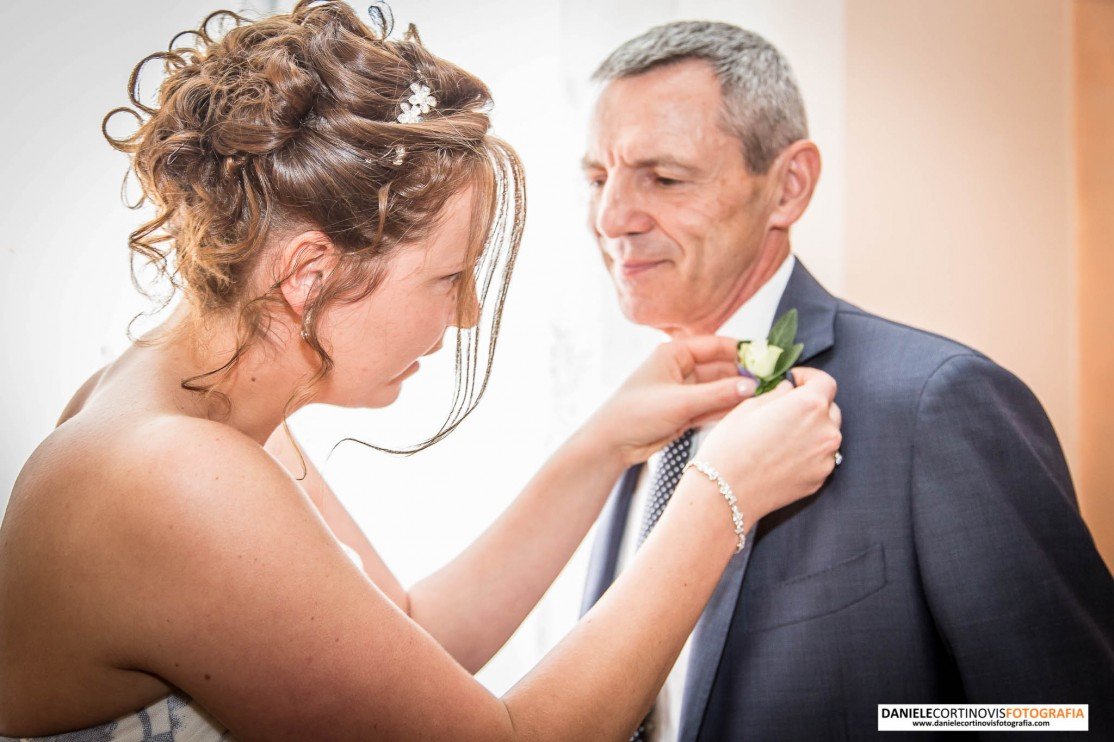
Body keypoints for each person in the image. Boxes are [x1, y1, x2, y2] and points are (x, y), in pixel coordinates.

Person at [0, 3, 844, 740]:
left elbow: (409, 635)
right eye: (450, 277)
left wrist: (603, 444)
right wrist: (719, 497)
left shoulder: (182, 393)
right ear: (308, 274)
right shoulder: (177, 476)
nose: (468, 313)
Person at [579, 20, 1114, 741]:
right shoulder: (632, 424)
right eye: (597, 178)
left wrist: (878, 721)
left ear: (788, 187)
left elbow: (1063, 715)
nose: (611, 217)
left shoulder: (936, 403)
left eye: (665, 178)